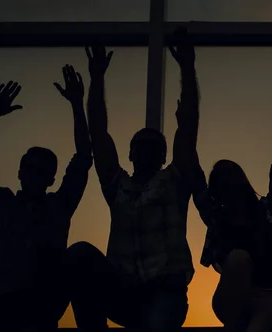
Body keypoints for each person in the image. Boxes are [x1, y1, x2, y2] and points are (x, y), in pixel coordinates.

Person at [66, 27, 198, 332]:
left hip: (165, 292)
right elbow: (98, 133)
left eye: (155, 147)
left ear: (164, 156)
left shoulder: (174, 182)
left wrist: (187, 68)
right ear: (130, 153)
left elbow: (189, 126)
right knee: (79, 254)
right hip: (124, 290)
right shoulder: (119, 187)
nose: (146, 150)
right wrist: (96, 78)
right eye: (140, 145)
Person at [190, 70, 272, 332]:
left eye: (232, 174)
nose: (230, 182)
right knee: (237, 259)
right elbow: (191, 167)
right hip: (231, 299)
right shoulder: (216, 218)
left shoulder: (266, 212)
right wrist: (188, 115)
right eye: (222, 178)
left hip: (269, 297)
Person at [0, 66, 93, 332]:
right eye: (30, 168)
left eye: (42, 172)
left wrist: (77, 104)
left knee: (80, 254)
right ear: (19, 171)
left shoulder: (57, 206)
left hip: (40, 305)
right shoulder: (3, 202)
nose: (34, 175)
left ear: (51, 179)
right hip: (4, 303)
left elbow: (83, 159)